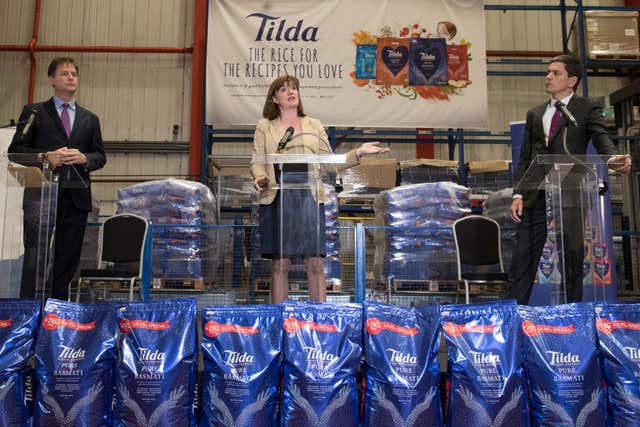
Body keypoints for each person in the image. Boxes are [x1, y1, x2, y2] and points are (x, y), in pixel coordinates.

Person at [251, 75, 390, 304]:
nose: (290, 92)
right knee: (280, 263)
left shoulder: (313, 126)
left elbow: (328, 163)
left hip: (309, 198)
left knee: (314, 262)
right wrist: (260, 177)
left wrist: (359, 152)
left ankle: (320, 319)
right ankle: (279, 318)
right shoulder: (264, 126)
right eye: (284, 89)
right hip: (276, 196)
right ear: (275, 98)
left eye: (294, 88)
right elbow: (257, 161)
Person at [508, 54, 631, 305]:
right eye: (548, 72)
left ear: (572, 80)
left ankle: (572, 312)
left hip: (571, 192)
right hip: (536, 192)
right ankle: (513, 313)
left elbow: (600, 136)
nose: (548, 76)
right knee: (523, 257)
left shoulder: (586, 108)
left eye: (555, 73)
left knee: (572, 255)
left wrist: (611, 159)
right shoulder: (535, 113)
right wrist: (518, 193)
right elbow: (527, 158)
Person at [9, 57, 106, 300]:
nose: (71, 77)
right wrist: (44, 156)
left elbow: (100, 156)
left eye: (74, 73)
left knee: (67, 256)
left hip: (76, 198)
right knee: (35, 253)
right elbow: (15, 151)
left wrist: (84, 158)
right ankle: (29, 307)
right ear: (52, 80)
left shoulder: (89, 119)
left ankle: (58, 309)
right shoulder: (33, 112)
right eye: (65, 73)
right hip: (41, 196)